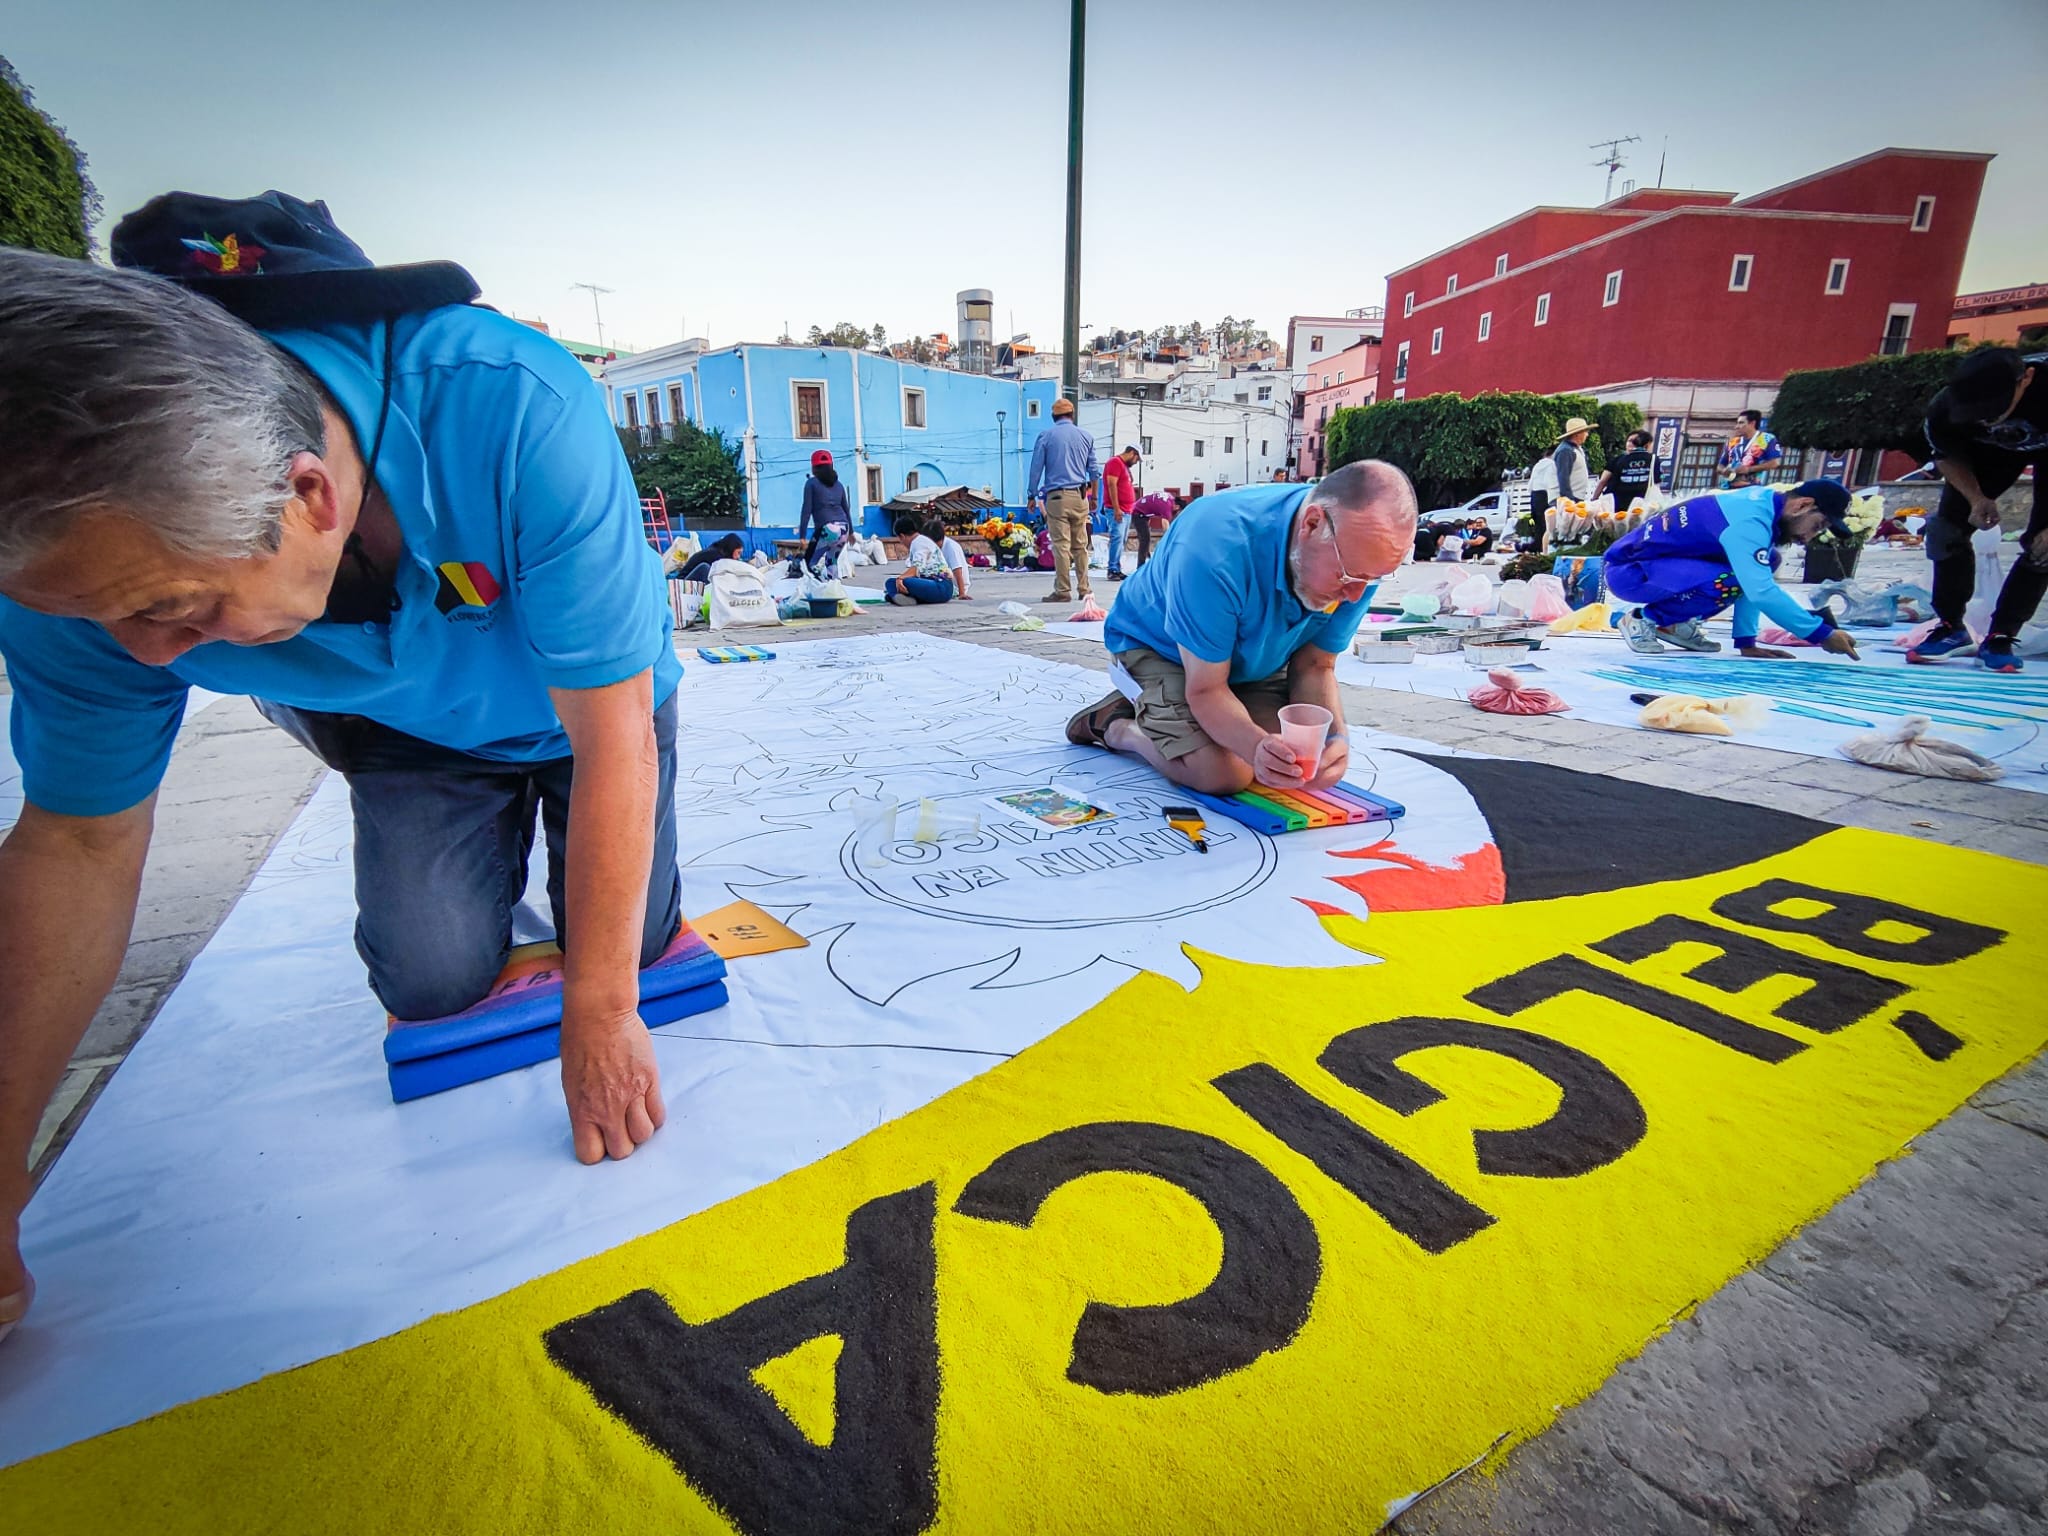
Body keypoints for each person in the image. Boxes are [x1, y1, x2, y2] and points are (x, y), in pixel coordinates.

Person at [0, 194, 685, 1341]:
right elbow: (75, 837)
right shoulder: (67, 554)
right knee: (427, 979)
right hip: (417, 737)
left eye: (173, 610)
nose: (148, 657)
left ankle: (581, 884)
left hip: (592, 718)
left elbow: (611, 735)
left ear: (306, 494)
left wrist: (603, 1007)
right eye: (110, 618)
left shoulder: (510, 407)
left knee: (638, 939)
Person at [1063, 461, 1418, 795]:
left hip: (1244, 662)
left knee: (1295, 758)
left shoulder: (1356, 557)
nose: (1355, 593)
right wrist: (1253, 745)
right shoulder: (1215, 547)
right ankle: (1118, 727)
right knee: (1223, 772)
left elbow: (1315, 665)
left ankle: (1168, 715)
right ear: (1311, 525)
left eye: (1372, 580)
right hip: (1160, 649)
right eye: (1348, 576)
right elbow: (1206, 690)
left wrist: (1336, 740)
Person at [1604, 479, 1863, 660]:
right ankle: (1644, 619)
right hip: (1630, 572)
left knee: (1767, 561)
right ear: (1802, 506)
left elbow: (1756, 576)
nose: (1808, 538)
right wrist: (1821, 633)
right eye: (1817, 526)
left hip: (1654, 567)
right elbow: (1760, 590)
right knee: (1729, 579)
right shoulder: (1750, 522)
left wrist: (1747, 642)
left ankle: (1673, 623)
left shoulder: (1764, 502)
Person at [1905, 347, 2048, 673]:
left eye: (1996, 411)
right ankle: (1951, 626)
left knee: (2043, 547)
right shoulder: (1946, 406)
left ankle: (2002, 634)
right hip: (1990, 456)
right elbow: (1944, 455)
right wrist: (1976, 498)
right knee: (1944, 531)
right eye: (1979, 415)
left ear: (2026, 378)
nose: (1988, 419)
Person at [1025, 396, 1099, 603]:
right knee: (1081, 545)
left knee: (1061, 545)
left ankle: (1063, 590)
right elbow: (1094, 471)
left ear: (1053, 416)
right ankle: (1085, 589)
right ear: (1072, 415)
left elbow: (1036, 469)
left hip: (1057, 497)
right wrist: (1095, 498)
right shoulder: (1086, 436)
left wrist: (1032, 495)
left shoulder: (1046, 436)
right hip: (1080, 496)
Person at [886, 516, 969, 605]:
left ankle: (898, 596)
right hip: (939, 586)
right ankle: (903, 597)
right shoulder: (921, 540)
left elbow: (916, 568)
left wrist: (900, 578)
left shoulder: (918, 543)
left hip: (940, 586)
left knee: (895, 582)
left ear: (902, 536)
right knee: (894, 584)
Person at [797, 449, 853, 576]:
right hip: (844, 529)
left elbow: (806, 510)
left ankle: (814, 590)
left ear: (813, 468)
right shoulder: (839, 485)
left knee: (808, 564)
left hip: (828, 529)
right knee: (832, 562)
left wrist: (802, 536)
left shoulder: (811, 483)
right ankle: (835, 588)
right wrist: (852, 533)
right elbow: (846, 509)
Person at [1717, 409, 1782, 490]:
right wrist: (1724, 471)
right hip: (1728, 488)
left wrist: (1749, 469)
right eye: (1737, 423)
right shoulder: (1733, 442)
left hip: (1751, 489)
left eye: (1741, 423)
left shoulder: (1767, 439)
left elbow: (1775, 463)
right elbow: (1720, 466)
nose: (1736, 427)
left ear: (1752, 423)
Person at [1102, 445, 1140, 581]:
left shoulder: (1124, 467)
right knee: (1116, 538)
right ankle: (1112, 569)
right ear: (1132, 453)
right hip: (1117, 509)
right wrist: (1116, 508)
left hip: (1126, 510)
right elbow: (1112, 484)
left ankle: (1117, 567)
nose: (1136, 462)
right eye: (1136, 458)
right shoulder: (1115, 462)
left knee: (1121, 540)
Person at [1596, 429, 1655, 510]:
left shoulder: (1619, 460)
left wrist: (1594, 499)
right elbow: (1603, 481)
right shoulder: (1617, 460)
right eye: (1629, 441)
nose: (1631, 443)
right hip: (1620, 504)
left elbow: (1603, 481)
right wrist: (1595, 500)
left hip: (1633, 506)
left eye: (1634, 441)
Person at [1551, 417, 1595, 505]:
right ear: (1577, 434)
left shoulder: (1575, 449)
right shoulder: (1566, 451)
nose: (1587, 435)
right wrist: (1569, 501)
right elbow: (1563, 477)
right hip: (1566, 499)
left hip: (1574, 497)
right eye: (1585, 432)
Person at [676, 532, 744, 583]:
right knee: (705, 568)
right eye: (738, 553)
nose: (738, 557)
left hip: (692, 582)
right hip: (684, 584)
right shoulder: (714, 555)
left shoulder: (718, 552)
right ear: (731, 549)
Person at [1131, 490, 1175, 568]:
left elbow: (1153, 502)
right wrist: (1169, 539)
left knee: (1144, 538)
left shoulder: (1169, 497)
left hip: (1143, 511)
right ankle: (1140, 566)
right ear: (1177, 506)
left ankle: (1146, 555)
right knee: (1145, 539)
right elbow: (1165, 523)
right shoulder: (1167, 507)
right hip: (1137, 513)